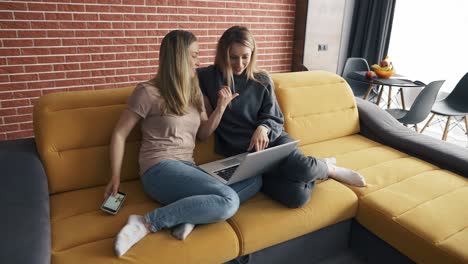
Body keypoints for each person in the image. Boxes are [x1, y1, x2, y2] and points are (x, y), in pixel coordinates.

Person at [104, 29, 262, 257]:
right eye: (194, 55)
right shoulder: (147, 92)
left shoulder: (194, 91)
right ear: (178, 57)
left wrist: (220, 108)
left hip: (188, 168)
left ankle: (192, 215)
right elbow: (120, 133)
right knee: (228, 201)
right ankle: (146, 223)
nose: (197, 61)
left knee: (254, 179)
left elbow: (204, 134)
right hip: (159, 169)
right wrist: (115, 177)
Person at [197, 25, 366, 208]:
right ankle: (315, 168)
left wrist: (263, 128)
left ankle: (329, 169)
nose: (239, 63)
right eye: (233, 57)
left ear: (252, 54)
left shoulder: (261, 79)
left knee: (303, 168)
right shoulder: (208, 77)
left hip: (274, 142)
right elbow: (178, 76)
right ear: (223, 55)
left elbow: (275, 117)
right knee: (297, 197)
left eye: (245, 56)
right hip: (244, 157)